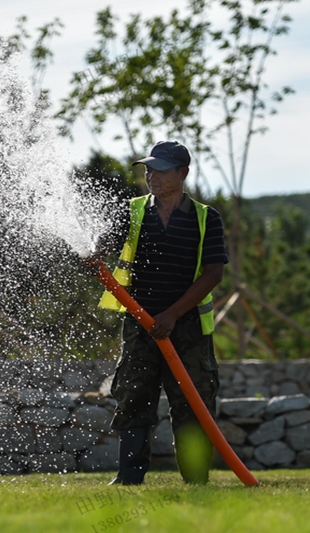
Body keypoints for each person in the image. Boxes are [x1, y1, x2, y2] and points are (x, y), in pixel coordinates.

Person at [87, 141, 228, 485]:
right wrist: (91, 250)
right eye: (148, 169)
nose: (151, 176)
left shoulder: (206, 218)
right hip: (140, 325)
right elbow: (105, 244)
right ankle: (128, 478)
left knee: (193, 403)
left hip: (188, 327)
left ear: (183, 173)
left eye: (160, 170)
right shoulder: (132, 211)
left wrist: (173, 315)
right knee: (134, 396)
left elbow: (213, 274)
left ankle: (196, 480)